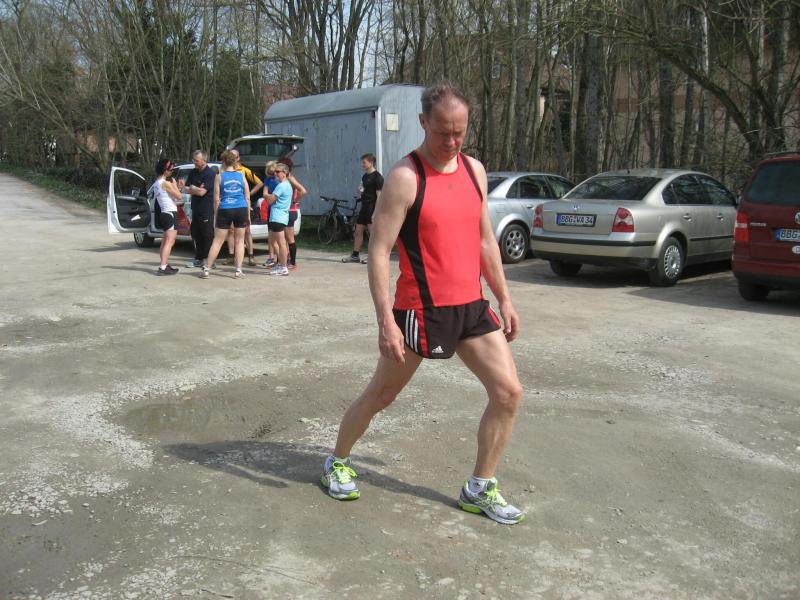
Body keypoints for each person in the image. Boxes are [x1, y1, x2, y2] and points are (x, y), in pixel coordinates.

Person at [321, 83, 526, 525]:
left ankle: (480, 487)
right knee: (382, 394)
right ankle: (337, 461)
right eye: (442, 132)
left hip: (471, 306)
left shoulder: (474, 170)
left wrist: (505, 298)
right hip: (420, 310)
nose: (451, 142)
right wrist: (386, 322)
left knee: (508, 393)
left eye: (459, 132)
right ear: (422, 123)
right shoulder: (405, 177)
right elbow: (379, 251)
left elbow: (485, 241)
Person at [200, 150, 251, 279]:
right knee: (240, 241)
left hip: (225, 208)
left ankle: (207, 270)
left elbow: (216, 199)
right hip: (241, 208)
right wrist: (248, 215)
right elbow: (247, 197)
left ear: (223, 161)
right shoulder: (241, 175)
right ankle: (238, 271)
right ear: (234, 162)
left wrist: (216, 215)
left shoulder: (219, 176)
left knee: (217, 241)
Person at [223, 149, 263, 266]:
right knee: (231, 231)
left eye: (235, 156)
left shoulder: (244, 170)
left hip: (242, 204)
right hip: (229, 204)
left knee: (246, 230)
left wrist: (249, 193)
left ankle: (251, 255)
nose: (232, 158)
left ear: (238, 158)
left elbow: (260, 183)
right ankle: (231, 255)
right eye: (231, 156)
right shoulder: (224, 170)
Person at [342, 153, 383, 264]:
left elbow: (380, 197)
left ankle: (374, 257)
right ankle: (355, 256)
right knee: (358, 231)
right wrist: (360, 192)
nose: (362, 165)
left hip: (372, 207)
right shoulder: (365, 177)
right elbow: (362, 191)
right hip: (364, 207)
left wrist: (375, 213)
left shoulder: (378, 177)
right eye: (362, 163)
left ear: (371, 163)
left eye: (364, 162)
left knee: (372, 234)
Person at [181, 150, 216, 268]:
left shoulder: (210, 174)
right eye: (193, 160)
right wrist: (194, 189)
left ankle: (209, 260)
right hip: (195, 208)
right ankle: (199, 258)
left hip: (206, 208)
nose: (194, 162)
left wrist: (193, 189)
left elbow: (202, 193)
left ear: (204, 160)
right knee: (196, 233)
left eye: (196, 160)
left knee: (207, 234)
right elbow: (185, 189)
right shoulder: (193, 172)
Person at [152, 158, 182, 275]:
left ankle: (164, 264)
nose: (172, 172)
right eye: (171, 170)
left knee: (165, 241)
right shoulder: (165, 183)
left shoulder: (156, 183)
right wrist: (175, 185)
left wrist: (174, 187)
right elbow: (179, 196)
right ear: (165, 171)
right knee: (170, 241)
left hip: (164, 213)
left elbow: (170, 196)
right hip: (170, 213)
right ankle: (163, 267)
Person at [263, 162, 292, 276]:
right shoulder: (287, 185)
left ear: (284, 173)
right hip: (281, 216)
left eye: (278, 171)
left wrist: (266, 195)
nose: (275, 173)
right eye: (275, 171)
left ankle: (283, 267)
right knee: (278, 242)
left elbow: (270, 200)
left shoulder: (281, 186)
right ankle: (281, 265)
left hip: (277, 216)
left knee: (280, 243)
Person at [280, 157, 307, 270]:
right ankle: (286, 260)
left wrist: (295, 200)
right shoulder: (285, 178)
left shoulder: (290, 178)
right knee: (285, 238)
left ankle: (293, 262)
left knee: (289, 238)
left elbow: (303, 191)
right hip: (286, 211)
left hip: (290, 211)